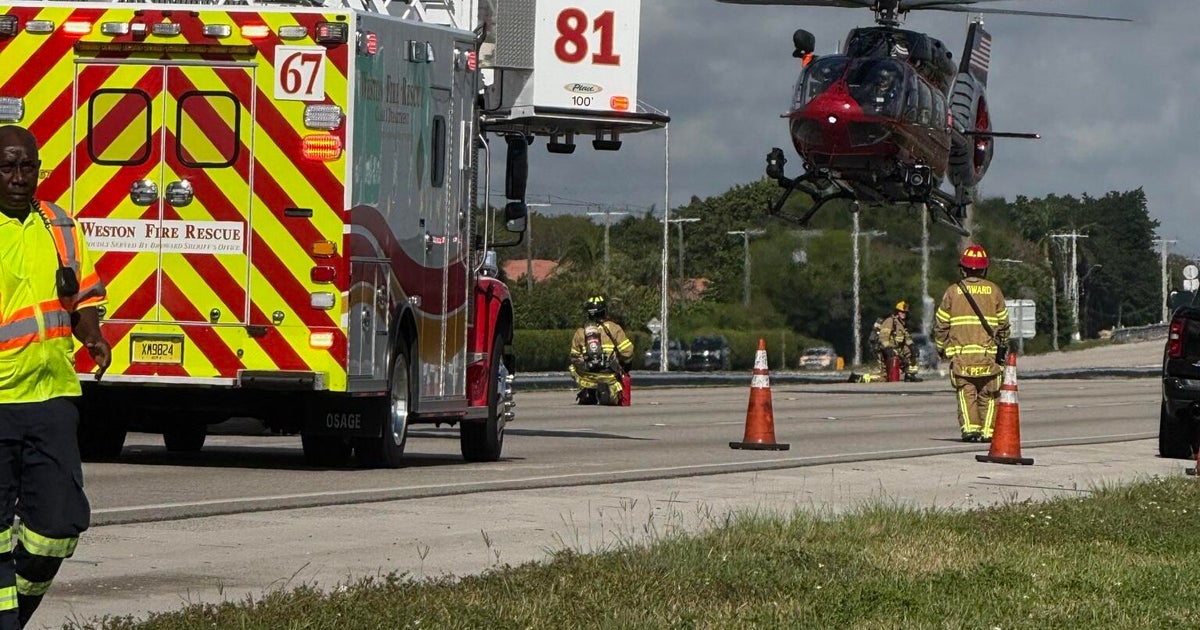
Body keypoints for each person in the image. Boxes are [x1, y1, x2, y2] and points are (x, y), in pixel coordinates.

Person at [0, 124, 110, 629]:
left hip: (53, 398)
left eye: (27, 166)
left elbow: (80, 296)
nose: (18, 177)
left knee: (60, 526)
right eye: (7, 166)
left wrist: (92, 335)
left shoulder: (61, 226)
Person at [933, 244, 1010, 443]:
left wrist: (941, 347)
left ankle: (970, 429)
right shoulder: (994, 291)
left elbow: (941, 324)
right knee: (989, 394)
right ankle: (988, 432)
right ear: (984, 269)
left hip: (961, 357)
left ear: (964, 269)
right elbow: (1004, 324)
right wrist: (1002, 348)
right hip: (988, 356)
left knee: (966, 393)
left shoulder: (953, 291)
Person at [568, 295, 633, 405]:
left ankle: (588, 390)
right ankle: (609, 392)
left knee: (571, 367)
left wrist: (587, 365)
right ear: (604, 311)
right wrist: (623, 366)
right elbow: (628, 352)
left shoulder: (580, 331)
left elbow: (574, 357)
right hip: (609, 377)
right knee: (614, 391)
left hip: (587, 376)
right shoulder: (614, 328)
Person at [850, 300, 922, 383]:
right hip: (884, 350)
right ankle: (859, 378)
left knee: (912, 352)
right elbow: (883, 337)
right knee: (883, 377)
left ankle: (910, 375)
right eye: (901, 312)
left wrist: (912, 346)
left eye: (905, 312)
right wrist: (888, 348)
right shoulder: (890, 321)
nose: (903, 314)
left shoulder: (902, 324)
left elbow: (907, 338)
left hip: (896, 351)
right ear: (897, 312)